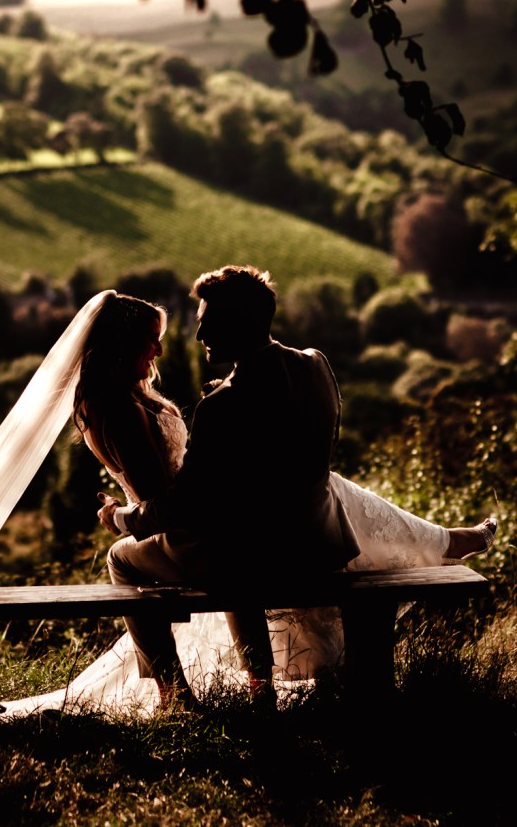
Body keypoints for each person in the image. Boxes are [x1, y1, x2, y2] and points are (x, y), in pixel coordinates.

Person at [88, 268, 497, 709]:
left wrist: (120, 517)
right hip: (320, 546)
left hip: (253, 558)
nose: (199, 331)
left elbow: (184, 505)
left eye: (208, 319)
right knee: (326, 485)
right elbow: (305, 440)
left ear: (237, 322)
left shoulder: (219, 408)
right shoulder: (315, 365)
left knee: (143, 555)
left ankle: (175, 694)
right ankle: (444, 540)